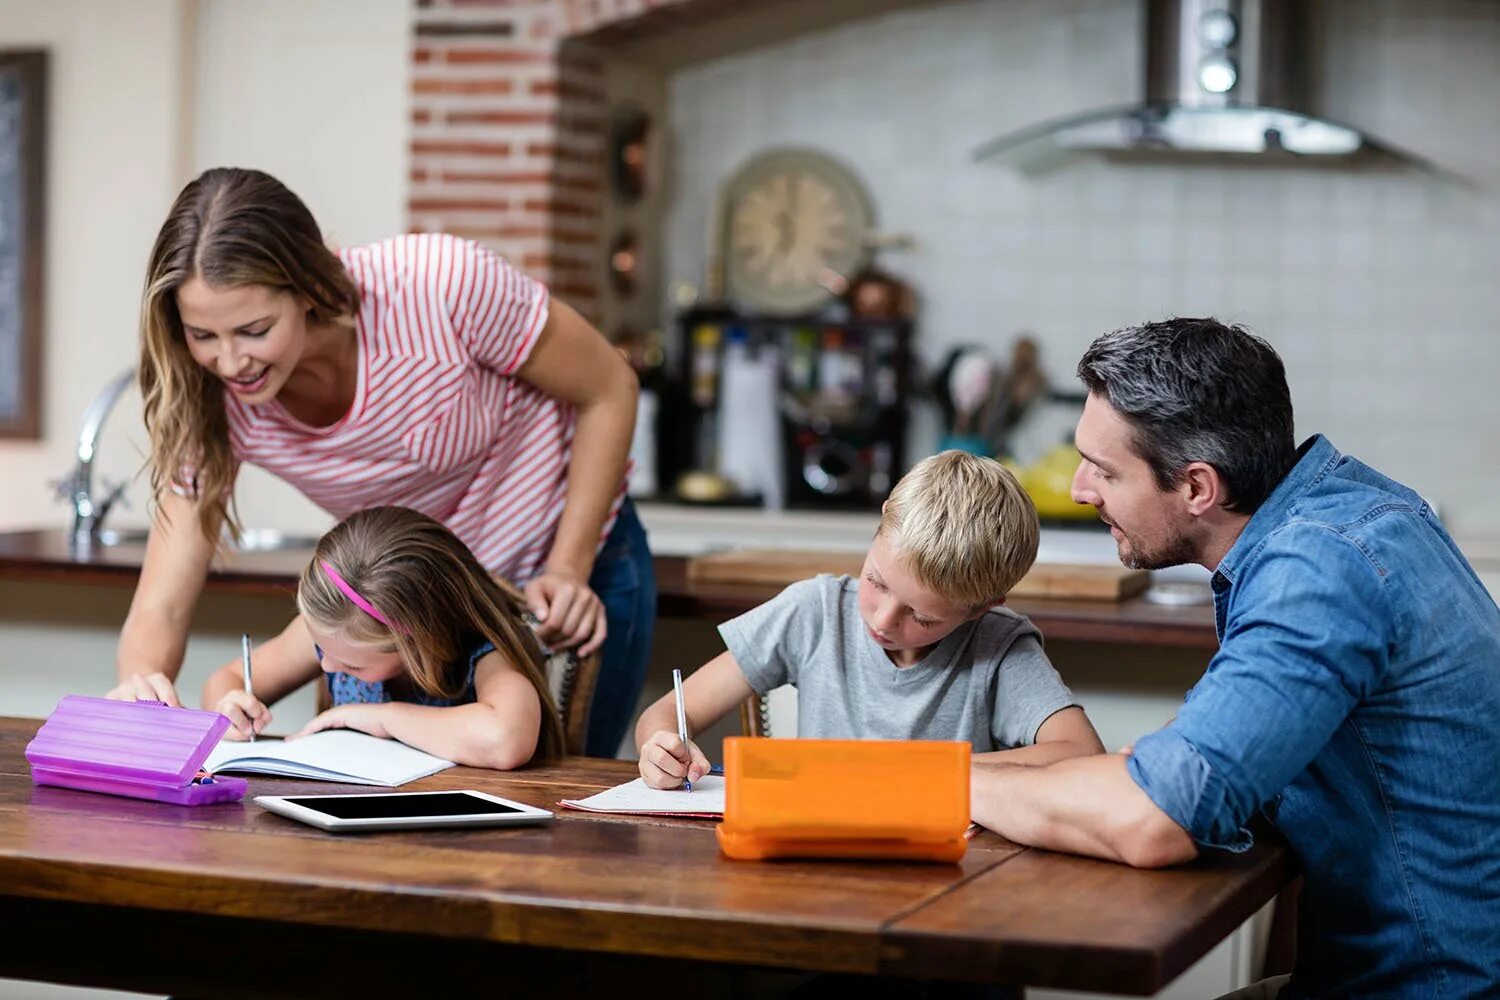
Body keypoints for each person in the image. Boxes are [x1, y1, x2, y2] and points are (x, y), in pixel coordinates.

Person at [970, 318, 1500, 998]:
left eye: (1104, 469)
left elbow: (1152, 820)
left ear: (1197, 488)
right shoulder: (1355, 512)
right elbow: (1185, 772)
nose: (1079, 488)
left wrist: (934, 783)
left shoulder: (1319, 571)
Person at [108, 167, 654, 756]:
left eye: (254, 329)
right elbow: (162, 599)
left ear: (309, 286)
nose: (231, 361)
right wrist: (140, 687)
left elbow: (609, 388)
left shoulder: (441, 285)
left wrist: (567, 567)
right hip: (405, 612)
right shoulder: (209, 394)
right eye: (202, 335)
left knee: (563, 798)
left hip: (563, 570)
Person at [636, 450, 1104, 789]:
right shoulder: (814, 611)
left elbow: (1080, 753)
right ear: (881, 524)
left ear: (985, 607)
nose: (882, 619)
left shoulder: (998, 646)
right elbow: (667, 714)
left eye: (921, 616)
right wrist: (661, 747)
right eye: (876, 581)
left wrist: (918, 771)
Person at [202, 506, 564, 768]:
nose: (326, 664)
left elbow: (506, 740)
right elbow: (225, 680)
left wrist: (382, 717)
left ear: (420, 643)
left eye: (351, 664)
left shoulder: (484, 654)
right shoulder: (333, 632)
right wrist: (229, 706)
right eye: (321, 650)